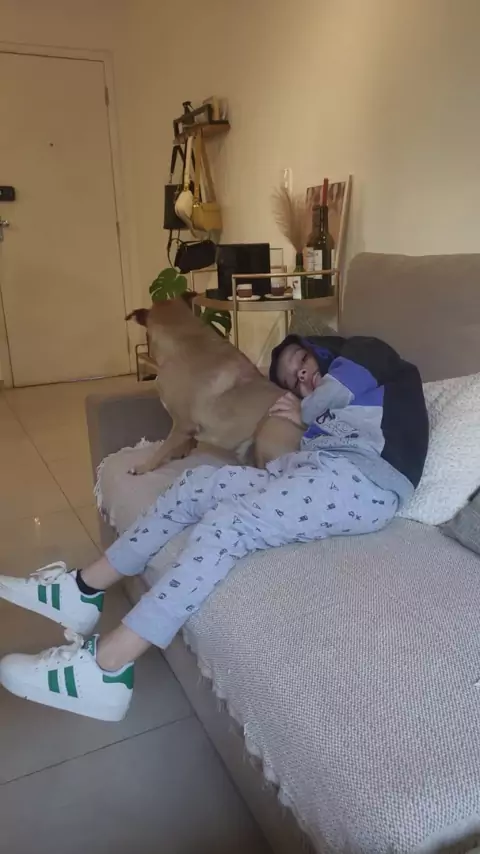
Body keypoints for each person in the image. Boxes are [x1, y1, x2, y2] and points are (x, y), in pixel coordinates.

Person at [0, 332, 428, 722]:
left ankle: (107, 667)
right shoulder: (331, 416)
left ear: (321, 348)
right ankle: (83, 588)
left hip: (364, 482)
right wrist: (303, 418)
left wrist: (304, 408)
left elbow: (342, 387)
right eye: (292, 382)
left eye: (302, 361)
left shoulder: (369, 354)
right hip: (321, 470)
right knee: (198, 485)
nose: (300, 377)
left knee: (228, 525)